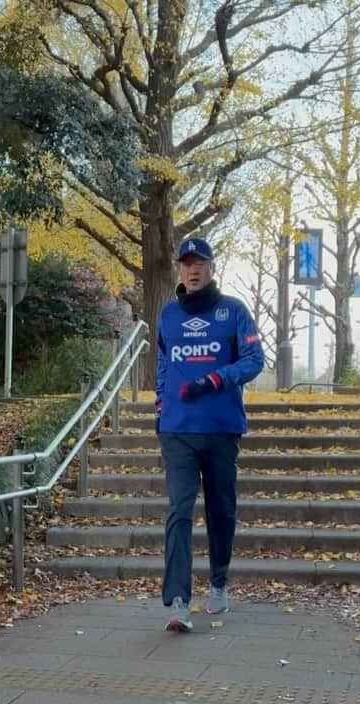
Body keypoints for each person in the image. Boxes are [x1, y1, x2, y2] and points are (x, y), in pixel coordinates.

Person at [155, 237, 264, 633]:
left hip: (221, 429)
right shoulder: (167, 315)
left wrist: (219, 377)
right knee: (179, 512)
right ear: (179, 269)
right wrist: (160, 406)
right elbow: (164, 364)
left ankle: (218, 583)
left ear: (212, 266)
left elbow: (255, 360)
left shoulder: (233, 312)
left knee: (221, 510)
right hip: (178, 432)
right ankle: (179, 602)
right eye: (186, 263)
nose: (193, 269)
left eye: (200, 262)